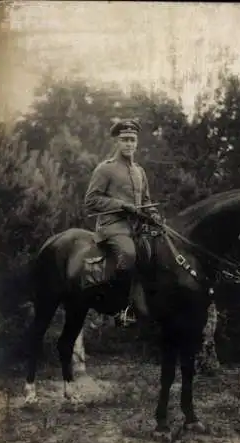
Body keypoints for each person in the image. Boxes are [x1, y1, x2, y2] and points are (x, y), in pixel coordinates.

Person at [84, 118, 161, 324]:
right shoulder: (105, 169)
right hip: (112, 227)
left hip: (136, 228)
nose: (129, 144)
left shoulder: (139, 171)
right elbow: (91, 200)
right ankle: (117, 308)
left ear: (137, 142)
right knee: (127, 255)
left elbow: (145, 200)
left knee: (159, 253)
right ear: (116, 142)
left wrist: (153, 214)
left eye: (132, 140)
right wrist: (121, 205)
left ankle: (149, 305)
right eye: (125, 139)